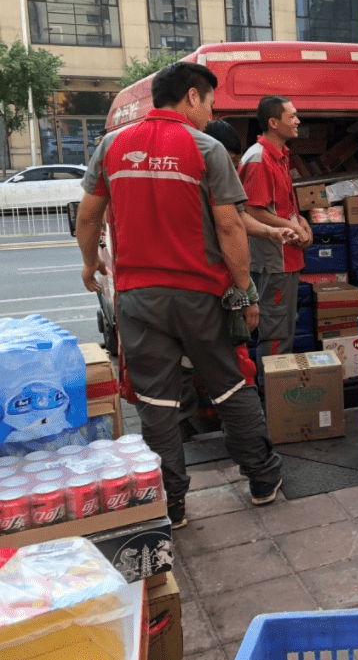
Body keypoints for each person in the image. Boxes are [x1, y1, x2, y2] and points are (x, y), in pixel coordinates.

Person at [76, 61, 284, 529]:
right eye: (210, 102)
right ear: (192, 96)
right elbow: (230, 226)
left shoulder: (112, 146)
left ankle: (171, 505)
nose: (211, 113)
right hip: (200, 297)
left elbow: (88, 217)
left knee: (157, 403)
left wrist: (91, 264)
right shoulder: (205, 149)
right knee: (231, 385)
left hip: (137, 298)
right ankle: (261, 479)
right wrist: (246, 293)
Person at [239, 96, 313, 371]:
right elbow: (251, 211)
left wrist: (302, 224)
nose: (297, 121)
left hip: (287, 257)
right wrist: (294, 227)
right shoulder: (259, 159)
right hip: (274, 262)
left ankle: (279, 395)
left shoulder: (278, 156)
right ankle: (274, 401)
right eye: (292, 116)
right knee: (275, 332)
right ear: (273, 122)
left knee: (283, 327)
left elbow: (282, 207)